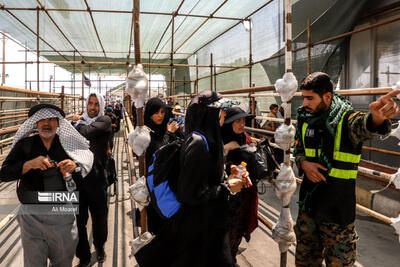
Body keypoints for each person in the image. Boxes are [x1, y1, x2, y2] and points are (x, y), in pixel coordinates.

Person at [293, 72, 399, 266]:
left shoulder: (345, 119)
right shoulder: (306, 118)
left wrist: (376, 119)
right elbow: (298, 150)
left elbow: (363, 124)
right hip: (308, 210)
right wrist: (304, 163)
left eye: (310, 98)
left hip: (338, 217)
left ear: (327, 96)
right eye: (304, 98)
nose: (304, 104)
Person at [136, 91, 250, 267]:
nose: (224, 114)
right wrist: (226, 187)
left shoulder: (210, 138)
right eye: (221, 110)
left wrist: (229, 171)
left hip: (210, 223)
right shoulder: (198, 142)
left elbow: (205, 175)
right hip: (199, 227)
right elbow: (187, 193)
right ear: (208, 113)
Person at [0, 104, 93, 267]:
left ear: (58, 123)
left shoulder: (67, 145)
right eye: (42, 119)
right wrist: (29, 164)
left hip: (62, 214)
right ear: (35, 123)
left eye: (51, 119)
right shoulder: (25, 145)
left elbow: (83, 177)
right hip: (31, 217)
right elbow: (4, 173)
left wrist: (74, 166)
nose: (46, 123)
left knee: (63, 262)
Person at [72, 92, 112, 266]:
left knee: (99, 218)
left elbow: (87, 132)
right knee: (79, 221)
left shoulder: (105, 121)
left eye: (96, 104)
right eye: (90, 103)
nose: (93, 107)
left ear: (101, 105)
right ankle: (84, 256)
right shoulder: (82, 121)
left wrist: (75, 124)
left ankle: (100, 246)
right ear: (86, 105)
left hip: (97, 180)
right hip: (79, 180)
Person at [221, 107, 259, 263]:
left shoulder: (247, 140)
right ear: (229, 122)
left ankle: (232, 256)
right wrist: (227, 153)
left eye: (243, 120)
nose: (241, 124)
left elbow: (254, 165)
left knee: (239, 229)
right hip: (226, 196)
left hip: (245, 195)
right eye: (237, 120)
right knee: (225, 230)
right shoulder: (220, 140)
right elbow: (214, 165)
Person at [144, 97, 180, 234]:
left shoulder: (163, 129)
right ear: (149, 114)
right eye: (156, 112)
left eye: (162, 112)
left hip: (167, 183)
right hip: (155, 184)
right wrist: (169, 134)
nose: (160, 116)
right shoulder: (146, 134)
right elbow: (158, 153)